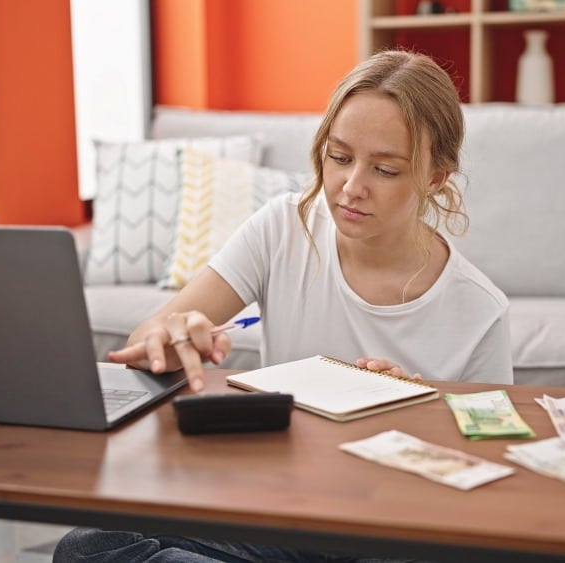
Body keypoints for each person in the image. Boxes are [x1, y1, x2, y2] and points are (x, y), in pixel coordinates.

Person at [53, 48, 512, 563]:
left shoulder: (479, 312)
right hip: (283, 509)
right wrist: (171, 334)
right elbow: (149, 338)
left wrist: (415, 419)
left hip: (389, 531)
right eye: (338, 158)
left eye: (385, 169)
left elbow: (489, 487)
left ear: (435, 177)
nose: (350, 187)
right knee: (88, 548)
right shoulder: (283, 228)